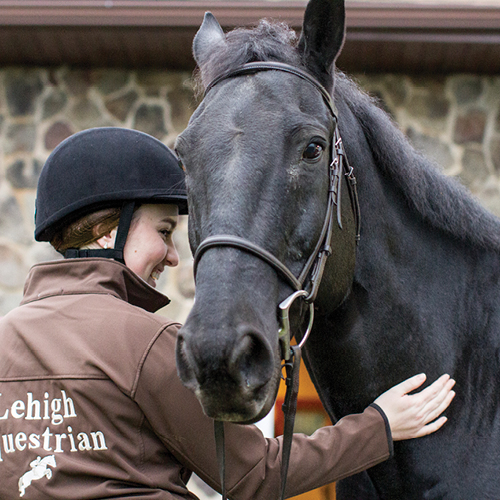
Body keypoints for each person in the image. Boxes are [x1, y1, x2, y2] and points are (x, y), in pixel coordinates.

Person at [0, 127, 455, 499]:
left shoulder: (6, 340)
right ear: (106, 233)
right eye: (163, 230)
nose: (173, 255)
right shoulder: (145, 342)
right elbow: (252, 475)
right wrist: (380, 427)